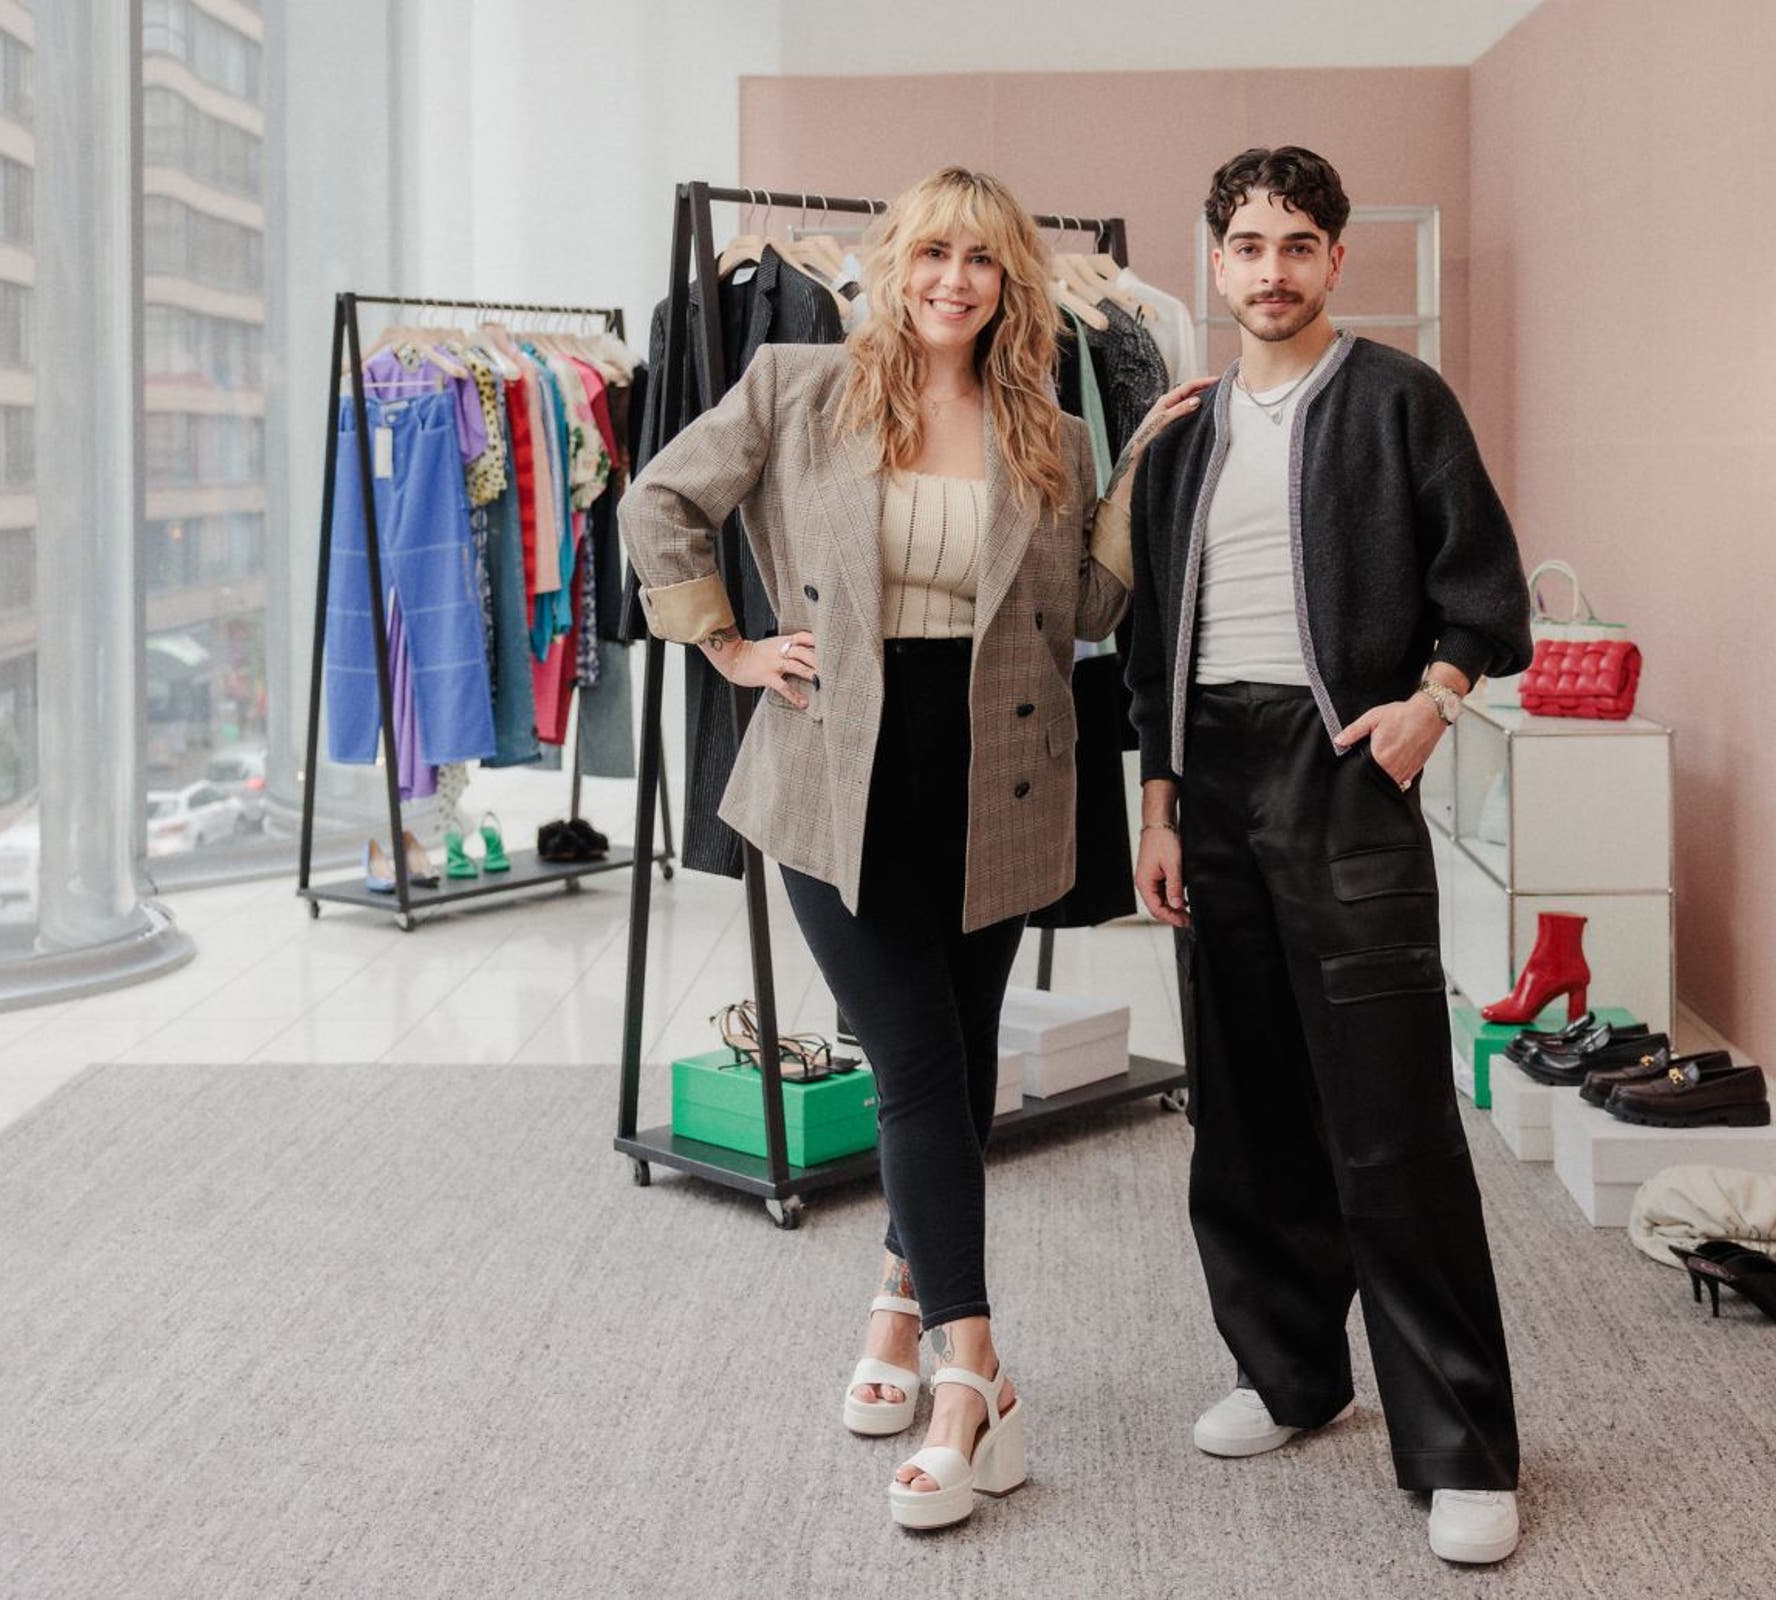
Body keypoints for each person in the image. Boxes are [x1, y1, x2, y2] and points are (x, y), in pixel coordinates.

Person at [619, 166, 1207, 1532]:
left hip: (1000, 774)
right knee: (917, 1064)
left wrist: (1140, 473)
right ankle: (975, 1374)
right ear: (892, 265)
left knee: (955, 1050)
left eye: (983, 261)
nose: (955, 279)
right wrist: (728, 644)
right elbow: (659, 503)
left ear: (1015, 284)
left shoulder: (1048, 424)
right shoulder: (795, 383)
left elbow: (1090, 604)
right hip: (838, 770)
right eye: (933, 252)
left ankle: (897, 1302)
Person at [1120, 146, 1534, 1565]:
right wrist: (1160, 804)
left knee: (1390, 1116)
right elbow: (1140, 641)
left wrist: (1435, 704)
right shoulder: (1179, 433)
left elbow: (1487, 593)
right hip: (1211, 781)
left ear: (1338, 260)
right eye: (1247, 244)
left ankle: (1462, 1446)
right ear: (1215, 260)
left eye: (1299, 243)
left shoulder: (1400, 401)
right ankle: (1288, 1373)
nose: (1273, 268)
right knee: (1240, 1107)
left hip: (1342, 766)